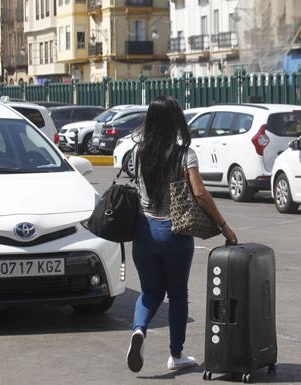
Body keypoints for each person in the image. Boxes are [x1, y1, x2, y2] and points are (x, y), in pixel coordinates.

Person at [126, 96, 238, 373]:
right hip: (173, 231)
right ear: (174, 120)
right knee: (177, 294)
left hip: (143, 232)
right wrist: (224, 227)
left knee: (150, 291)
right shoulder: (184, 154)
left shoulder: (138, 152)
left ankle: (139, 330)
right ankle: (175, 354)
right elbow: (199, 193)